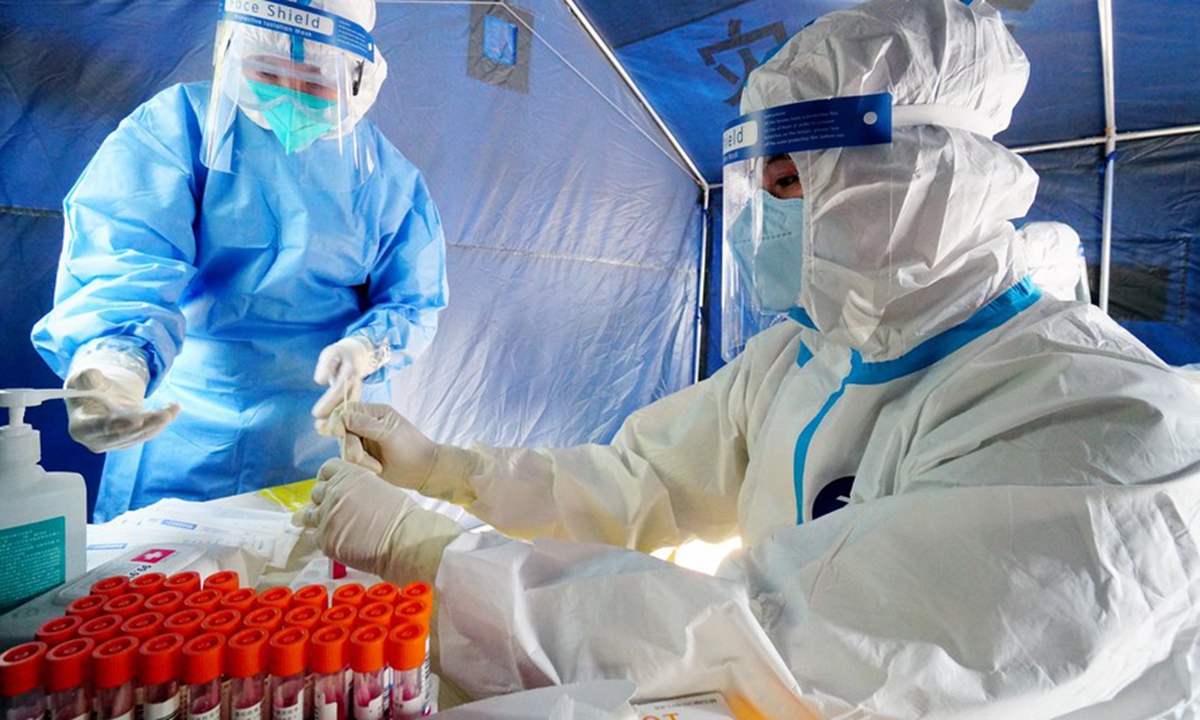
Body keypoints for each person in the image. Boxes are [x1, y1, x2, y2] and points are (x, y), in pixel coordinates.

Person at [297, 0, 1200, 716]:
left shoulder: (1095, 419)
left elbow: (783, 646)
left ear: (912, 179)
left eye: (790, 185)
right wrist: (455, 472)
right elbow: (638, 481)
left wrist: (436, 557)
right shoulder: (806, 361)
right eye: (760, 186)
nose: (767, 219)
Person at [31, 0, 447, 521]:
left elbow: (413, 300)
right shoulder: (177, 129)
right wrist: (115, 366)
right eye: (267, 74)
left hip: (320, 435)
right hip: (182, 431)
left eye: (315, 85)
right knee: (164, 586)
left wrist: (367, 348)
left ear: (360, 79)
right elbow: (128, 252)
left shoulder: (388, 180)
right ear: (230, 50)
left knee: (318, 587)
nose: (289, 99)